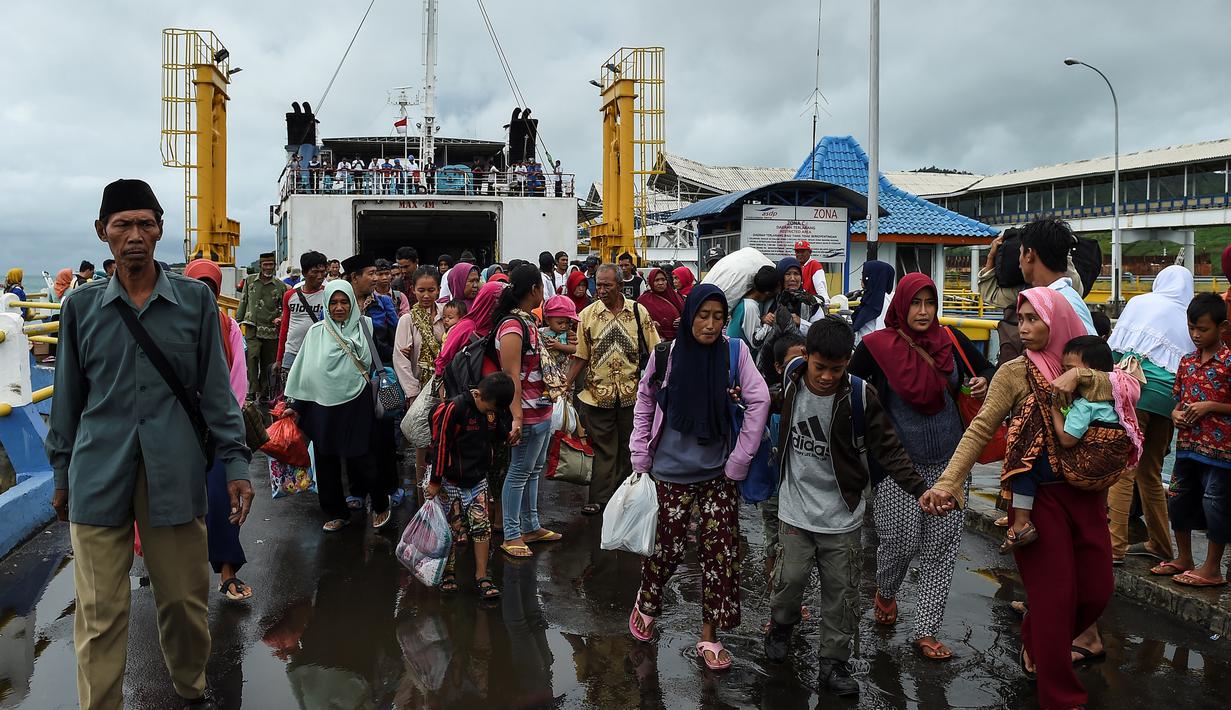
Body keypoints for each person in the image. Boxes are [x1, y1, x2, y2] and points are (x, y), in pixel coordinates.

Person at [46, 178, 251, 710]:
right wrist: (61, 474)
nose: (134, 235)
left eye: (145, 223)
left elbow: (215, 392)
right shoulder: (81, 309)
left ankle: (190, 687)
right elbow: (67, 398)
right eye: (122, 225)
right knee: (98, 613)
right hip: (98, 473)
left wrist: (235, 465)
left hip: (175, 470)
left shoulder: (194, 303)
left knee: (183, 602)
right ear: (102, 234)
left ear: (160, 230)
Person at [920, 287, 1116, 710]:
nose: (1023, 328)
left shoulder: (1086, 359)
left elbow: (1127, 387)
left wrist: (1081, 376)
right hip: (1037, 500)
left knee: (1097, 590)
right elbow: (980, 428)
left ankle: (1037, 634)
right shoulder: (1013, 372)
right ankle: (1062, 697)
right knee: (1055, 598)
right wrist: (949, 482)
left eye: (1033, 319)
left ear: (1056, 319)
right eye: (1020, 319)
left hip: (1086, 494)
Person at [764, 316, 927, 695]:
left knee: (842, 593)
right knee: (789, 581)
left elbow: (889, 448)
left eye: (836, 369)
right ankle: (782, 625)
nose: (826, 377)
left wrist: (920, 490)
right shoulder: (791, 382)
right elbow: (767, 401)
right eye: (820, 368)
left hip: (842, 515)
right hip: (794, 509)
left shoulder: (859, 395)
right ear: (807, 357)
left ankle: (833, 664)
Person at [846, 274, 994, 661]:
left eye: (930, 302)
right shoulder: (875, 348)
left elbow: (991, 371)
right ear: (902, 306)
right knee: (899, 541)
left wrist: (982, 382)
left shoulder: (952, 341)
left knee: (941, 547)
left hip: (950, 463)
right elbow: (848, 389)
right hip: (897, 466)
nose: (924, 311)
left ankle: (925, 631)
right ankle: (886, 590)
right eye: (916, 303)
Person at [628, 284, 770, 671]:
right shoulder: (666, 355)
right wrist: (640, 451)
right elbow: (644, 399)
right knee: (665, 550)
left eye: (718, 316)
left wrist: (740, 459)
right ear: (689, 315)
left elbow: (760, 400)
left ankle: (710, 636)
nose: (709, 325)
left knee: (720, 556)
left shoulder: (734, 353)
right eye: (702, 316)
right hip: (669, 474)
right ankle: (648, 603)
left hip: (718, 475)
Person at [282, 280, 392, 531]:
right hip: (322, 404)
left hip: (357, 402)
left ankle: (380, 503)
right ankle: (336, 512)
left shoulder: (365, 327)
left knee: (363, 456)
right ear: (326, 304)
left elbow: (378, 358)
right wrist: (296, 405)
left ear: (352, 303)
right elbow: (306, 371)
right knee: (326, 460)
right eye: (333, 302)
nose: (339, 307)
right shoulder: (316, 333)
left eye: (344, 302)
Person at [1105, 265, 1195, 564]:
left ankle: (1115, 547)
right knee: (1151, 471)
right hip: (1170, 401)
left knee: (1123, 469)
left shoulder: (1140, 302)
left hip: (1137, 392)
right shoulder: (1188, 313)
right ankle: (1160, 544)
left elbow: (1115, 351)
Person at [1003, 336, 1123, 553]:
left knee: (1026, 467)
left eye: (1069, 369)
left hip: (1082, 467)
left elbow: (1067, 440)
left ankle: (1021, 523)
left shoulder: (1085, 405)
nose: (1063, 374)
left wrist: (1055, 412)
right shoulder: (1117, 398)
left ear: (1090, 373)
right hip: (1109, 471)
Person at [565, 263, 661, 515]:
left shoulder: (639, 312)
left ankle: (626, 496)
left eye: (608, 285)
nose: (602, 290)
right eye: (599, 284)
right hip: (597, 396)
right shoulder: (587, 316)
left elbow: (655, 351)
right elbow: (581, 356)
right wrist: (564, 384)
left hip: (633, 396)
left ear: (620, 285)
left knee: (630, 447)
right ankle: (599, 498)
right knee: (603, 448)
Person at [184, 258, 252, 603]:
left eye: (210, 288)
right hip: (179, 431)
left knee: (225, 498)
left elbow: (237, 384)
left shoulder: (229, 327)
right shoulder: (174, 326)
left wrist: (225, 422)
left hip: (219, 430)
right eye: (198, 287)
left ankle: (228, 571)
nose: (203, 295)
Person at [1157, 293, 1231, 587]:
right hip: (1187, 446)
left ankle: (1212, 568)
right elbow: (1179, 400)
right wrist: (1175, 414)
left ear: (1222, 327)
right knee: (1178, 499)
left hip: (1220, 450)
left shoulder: (1228, 362)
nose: (1196, 335)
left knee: (1216, 504)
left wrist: (1211, 406)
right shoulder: (1187, 361)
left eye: (1203, 329)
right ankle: (1184, 557)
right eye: (1192, 328)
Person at [490, 265, 561, 558]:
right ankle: (511, 533)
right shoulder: (513, 326)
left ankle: (530, 526)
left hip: (540, 411)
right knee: (519, 472)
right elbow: (511, 377)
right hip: (527, 414)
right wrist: (517, 417)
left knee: (533, 471)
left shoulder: (528, 321)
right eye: (541, 288)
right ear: (533, 289)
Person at [428, 371, 515, 599]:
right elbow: (441, 444)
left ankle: (481, 576)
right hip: (450, 480)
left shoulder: (492, 413)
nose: (491, 414)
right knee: (451, 530)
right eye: (488, 410)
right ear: (477, 394)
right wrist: (435, 481)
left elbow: (497, 433)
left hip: (477, 479)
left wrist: (508, 435)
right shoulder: (455, 409)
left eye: (494, 412)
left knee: (481, 527)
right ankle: (448, 573)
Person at [343, 254, 402, 508]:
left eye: (377, 273)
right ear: (354, 278)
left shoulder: (384, 302)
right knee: (354, 437)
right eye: (370, 274)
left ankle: (390, 487)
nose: (376, 278)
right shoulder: (341, 305)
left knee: (384, 436)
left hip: (378, 376)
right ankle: (357, 490)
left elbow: (394, 333)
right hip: (350, 382)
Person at [393, 266, 446, 492]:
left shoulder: (447, 313)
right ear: (413, 290)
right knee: (422, 442)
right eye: (421, 290)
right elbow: (400, 358)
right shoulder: (407, 320)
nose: (426, 296)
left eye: (431, 290)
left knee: (444, 438)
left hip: (444, 385)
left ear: (438, 289)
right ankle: (423, 496)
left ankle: (443, 490)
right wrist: (413, 393)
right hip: (419, 386)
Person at [1018, 217, 1096, 335]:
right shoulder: (1062, 297)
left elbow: (1089, 350)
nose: (1019, 264)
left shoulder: (1064, 303)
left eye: (1020, 253)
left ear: (1029, 254)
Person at [236, 252, 287, 405]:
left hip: (271, 329)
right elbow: (243, 301)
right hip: (252, 326)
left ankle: (264, 393)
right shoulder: (250, 281)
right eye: (265, 265)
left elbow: (285, 308)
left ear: (274, 266)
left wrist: (281, 318)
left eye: (271, 265)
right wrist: (237, 322)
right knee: (252, 358)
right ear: (260, 265)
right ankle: (252, 391)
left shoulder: (280, 285)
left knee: (268, 363)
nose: (268, 268)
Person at [434, 281, 505, 378]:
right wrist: (440, 379)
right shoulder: (468, 326)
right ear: (486, 302)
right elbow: (445, 356)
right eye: (497, 303)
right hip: (460, 384)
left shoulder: (498, 327)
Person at [275, 251, 328, 377]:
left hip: (319, 354)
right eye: (315, 272)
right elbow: (285, 327)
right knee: (289, 394)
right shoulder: (290, 296)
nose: (320, 276)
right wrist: (279, 358)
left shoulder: (328, 295)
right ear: (304, 273)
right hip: (292, 352)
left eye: (323, 272)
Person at [727, 264, 779, 351]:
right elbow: (756, 342)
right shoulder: (750, 307)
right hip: (738, 357)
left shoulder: (756, 301)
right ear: (768, 293)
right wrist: (769, 324)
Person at [540, 295, 579, 401]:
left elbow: (573, 349)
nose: (564, 326)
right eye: (560, 323)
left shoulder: (568, 334)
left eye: (567, 323)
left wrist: (558, 346)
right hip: (547, 374)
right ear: (548, 321)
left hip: (564, 372)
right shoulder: (542, 333)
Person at [850, 260, 894, 344]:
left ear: (873, 277)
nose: (862, 278)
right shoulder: (871, 297)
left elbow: (882, 333)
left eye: (864, 274)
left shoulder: (883, 301)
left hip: (872, 350)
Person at [636, 267, 684, 341]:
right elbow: (638, 320)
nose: (660, 283)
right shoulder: (643, 300)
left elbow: (686, 315)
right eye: (656, 280)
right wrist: (651, 324)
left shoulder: (675, 296)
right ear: (651, 282)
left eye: (663, 280)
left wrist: (683, 320)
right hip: (653, 340)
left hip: (677, 340)